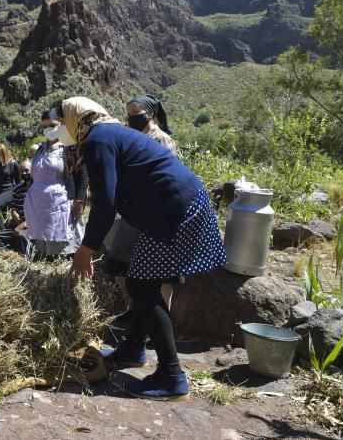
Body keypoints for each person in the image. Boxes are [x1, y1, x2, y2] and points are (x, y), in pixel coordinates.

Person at [57, 96, 226, 401]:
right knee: (141, 277)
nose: (62, 127)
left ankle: (172, 377)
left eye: (63, 120)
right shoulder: (109, 133)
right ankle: (134, 348)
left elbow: (106, 203)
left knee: (142, 284)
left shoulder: (98, 140)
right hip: (173, 205)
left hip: (176, 207)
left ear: (76, 118)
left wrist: (86, 249)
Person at [107, 95, 177, 318]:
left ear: (151, 114)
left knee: (159, 271)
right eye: (128, 115)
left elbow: (168, 176)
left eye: (137, 115)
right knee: (119, 261)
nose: (132, 119)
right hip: (132, 210)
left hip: (155, 213)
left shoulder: (162, 140)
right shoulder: (132, 138)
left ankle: (162, 318)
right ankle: (133, 310)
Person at [23, 111, 88, 259]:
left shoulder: (71, 146)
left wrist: (79, 200)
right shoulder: (40, 148)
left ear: (63, 124)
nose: (48, 129)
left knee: (64, 246)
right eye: (44, 126)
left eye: (52, 125)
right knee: (44, 247)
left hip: (62, 204)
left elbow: (82, 175)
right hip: (40, 205)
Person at [0, 159, 33, 257]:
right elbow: (13, 210)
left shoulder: (38, 188)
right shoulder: (18, 189)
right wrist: (19, 223)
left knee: (22, 237)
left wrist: (23, 225)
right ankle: (10, 253)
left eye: (26, 170)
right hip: (18, 223)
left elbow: (39, 213)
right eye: (21, 171)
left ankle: (26, 260)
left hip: (34, 225)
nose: (24, 173)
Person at [0, 143, 21, 228]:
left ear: (4, 153)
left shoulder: (13, 164)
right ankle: (2, 229)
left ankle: (2, 230)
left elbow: (19, 181)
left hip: (10, 190)